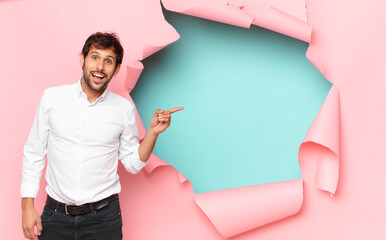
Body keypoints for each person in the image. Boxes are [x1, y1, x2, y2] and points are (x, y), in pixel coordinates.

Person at [21, 32, 183, 240]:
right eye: (95, 57)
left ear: (116, 70)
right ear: (83, 59)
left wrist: (152, 133)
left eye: (108, 61)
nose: (100, 67)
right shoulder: (52, 99)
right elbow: (33, 152)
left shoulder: (123, 109)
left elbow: (133, 164)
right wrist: (27, 205)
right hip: (56, 215)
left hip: (103, 219)